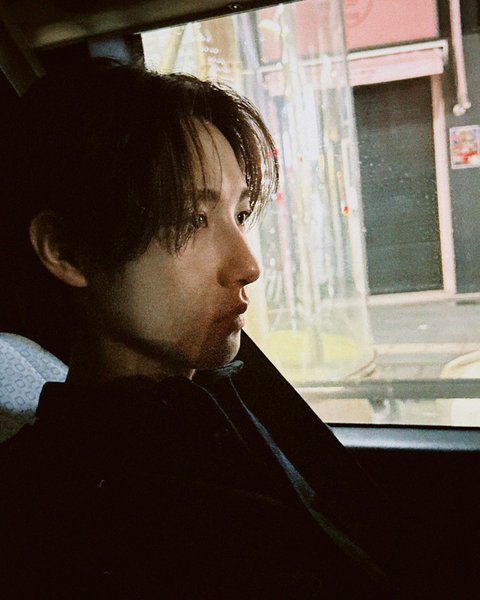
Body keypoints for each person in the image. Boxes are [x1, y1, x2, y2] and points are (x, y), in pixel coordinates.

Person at [0, 59, 411, 598]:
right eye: (191, 219)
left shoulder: (219, 408)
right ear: (66, 251)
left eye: (239, 215)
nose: (247, 264)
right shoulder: (66, 513)